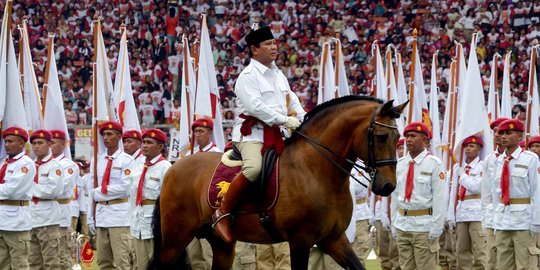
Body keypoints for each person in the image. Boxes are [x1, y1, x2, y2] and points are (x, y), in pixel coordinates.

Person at [212, 25, 305, 243]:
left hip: (278, 133)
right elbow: (256, 107)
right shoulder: (247, 76)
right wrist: (285, 120)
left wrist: (303, 118)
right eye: (268, 44)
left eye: (274, 43)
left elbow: (292, 101)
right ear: (254, 49)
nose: (274, 47)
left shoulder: (278, 74)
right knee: (254, 167)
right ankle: (222, 212)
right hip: (252, 135)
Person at [391, 122, 446, 270]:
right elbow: (395, 196)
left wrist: (436, 228)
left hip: (424, 227)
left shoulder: (434, 164)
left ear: (425, 141)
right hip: (403, 224)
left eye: (413, 136)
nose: (408, 139)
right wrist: (394, 222)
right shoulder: (401, 164)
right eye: (407, 136)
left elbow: (440, 199)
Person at [492, 119, 540, 269]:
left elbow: (537, 191)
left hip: (523, 221)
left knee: (525, 265)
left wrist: (536, 222)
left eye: (509, 133)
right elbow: (496, 194)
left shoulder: (530, 159)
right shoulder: (498, 161)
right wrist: (495, 219)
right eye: (502, 133)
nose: (504, 136)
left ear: (520, 137)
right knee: (503, 266)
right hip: (503, 220)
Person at [88, 121, 134, 270]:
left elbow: (125, 188)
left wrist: (99, 193)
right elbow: (90, 190)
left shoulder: (127, 160)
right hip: (101, 215)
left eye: (110, 134)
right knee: (103, 261)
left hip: (119, 215)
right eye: (104, 135)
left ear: (119, 137)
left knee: (122, 261)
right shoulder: (97, 160)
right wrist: (90, 216)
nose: (106, 138)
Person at [130, 128, 172, 269]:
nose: (144, 145)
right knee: (141, 264)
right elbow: (133, 195)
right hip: (138, 223)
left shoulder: (165, 167)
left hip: (155, 223)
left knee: (157, 264)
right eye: (143, 142)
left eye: (149, 142)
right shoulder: (138, 165)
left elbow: (168, 200)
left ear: (160, 147)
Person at [186, 118, 222, 269]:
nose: (197, 135)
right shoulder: (189, 154)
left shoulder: (218, 154)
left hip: (208, 210)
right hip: (191, 211)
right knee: (195, 256)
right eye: (195, 132)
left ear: (209, 133)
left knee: (209, 255)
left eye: (201, 131)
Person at [447, 136, 486, 269]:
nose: (468, 149)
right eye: (466, 146)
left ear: (479, 148)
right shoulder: (458, 167)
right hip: (461, 212)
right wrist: (451, 215)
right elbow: (454, 193)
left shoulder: (482, 166)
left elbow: (476, 187)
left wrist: (462, 175)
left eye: (472, 146)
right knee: (461, 252)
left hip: (477, 214)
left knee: (480, 252)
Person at [0, 127, 35, 269]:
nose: (6, 144)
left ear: (21, 144)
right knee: (2, 263)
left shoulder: (25, 163)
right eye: (5, 141)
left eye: (10, 141)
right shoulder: (3, 162)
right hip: (2, 220)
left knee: (19, 264)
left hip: (16, 221)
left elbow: (11, 190)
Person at [28, 130, 64, 269]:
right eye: (34, 143)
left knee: (51, 261)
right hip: (31, 217)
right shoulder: (30, 165)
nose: (36, 146)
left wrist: (28, 187)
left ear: (49, 144)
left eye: (40, 143)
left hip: (48, 218)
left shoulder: (55, 166)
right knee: (33, 262)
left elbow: (53, 191)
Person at [481, 117, 509, 270]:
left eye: (501, 131)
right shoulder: (489, 160)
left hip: (514, 214)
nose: (497, 134)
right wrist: (484, 217)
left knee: (510, 257)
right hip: (493, 215)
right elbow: (485, 192)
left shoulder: (523, 158)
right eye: (495, 131)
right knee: (491, 256)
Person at [50, 129, 80, 269]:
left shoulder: (69, 165)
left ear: (63, 144)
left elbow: (59, 189)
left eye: (53, 142)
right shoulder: (40, 164)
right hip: (42, 215)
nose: (50, 145)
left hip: (61, 214)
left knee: (62, 256)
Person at [377, 138, 403, 270]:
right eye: (399, 148)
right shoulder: (390, 167)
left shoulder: (403, 168)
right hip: (386, 211)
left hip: (400, 214)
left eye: (403, 148)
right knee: (384, 252)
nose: (401, 150)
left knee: (395, 253)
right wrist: (383, 214)